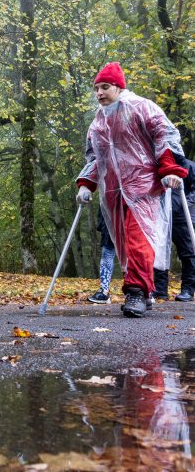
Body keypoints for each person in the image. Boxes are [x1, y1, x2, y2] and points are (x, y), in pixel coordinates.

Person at [77, 62, 188, 318]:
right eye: (96, 89)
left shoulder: (141, 107)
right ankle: (145, 291)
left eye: (104, 87)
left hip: (143, 187)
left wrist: (170, 168)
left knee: (139, 239)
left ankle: (136, 291)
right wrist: (86, 184)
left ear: (118, 86)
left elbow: (164, 136)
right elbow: (95, 157)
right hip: (114, 191)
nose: (99, 93)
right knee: (126, 245)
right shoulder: (98, 121)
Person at [153, 154, 195, 302]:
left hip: (184, 218)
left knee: (188, 254)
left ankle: (188, 290)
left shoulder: (189, 166)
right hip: (162, 217)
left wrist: (184, 204)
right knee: (160, 252)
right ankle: (160, 289)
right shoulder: (158, 166)